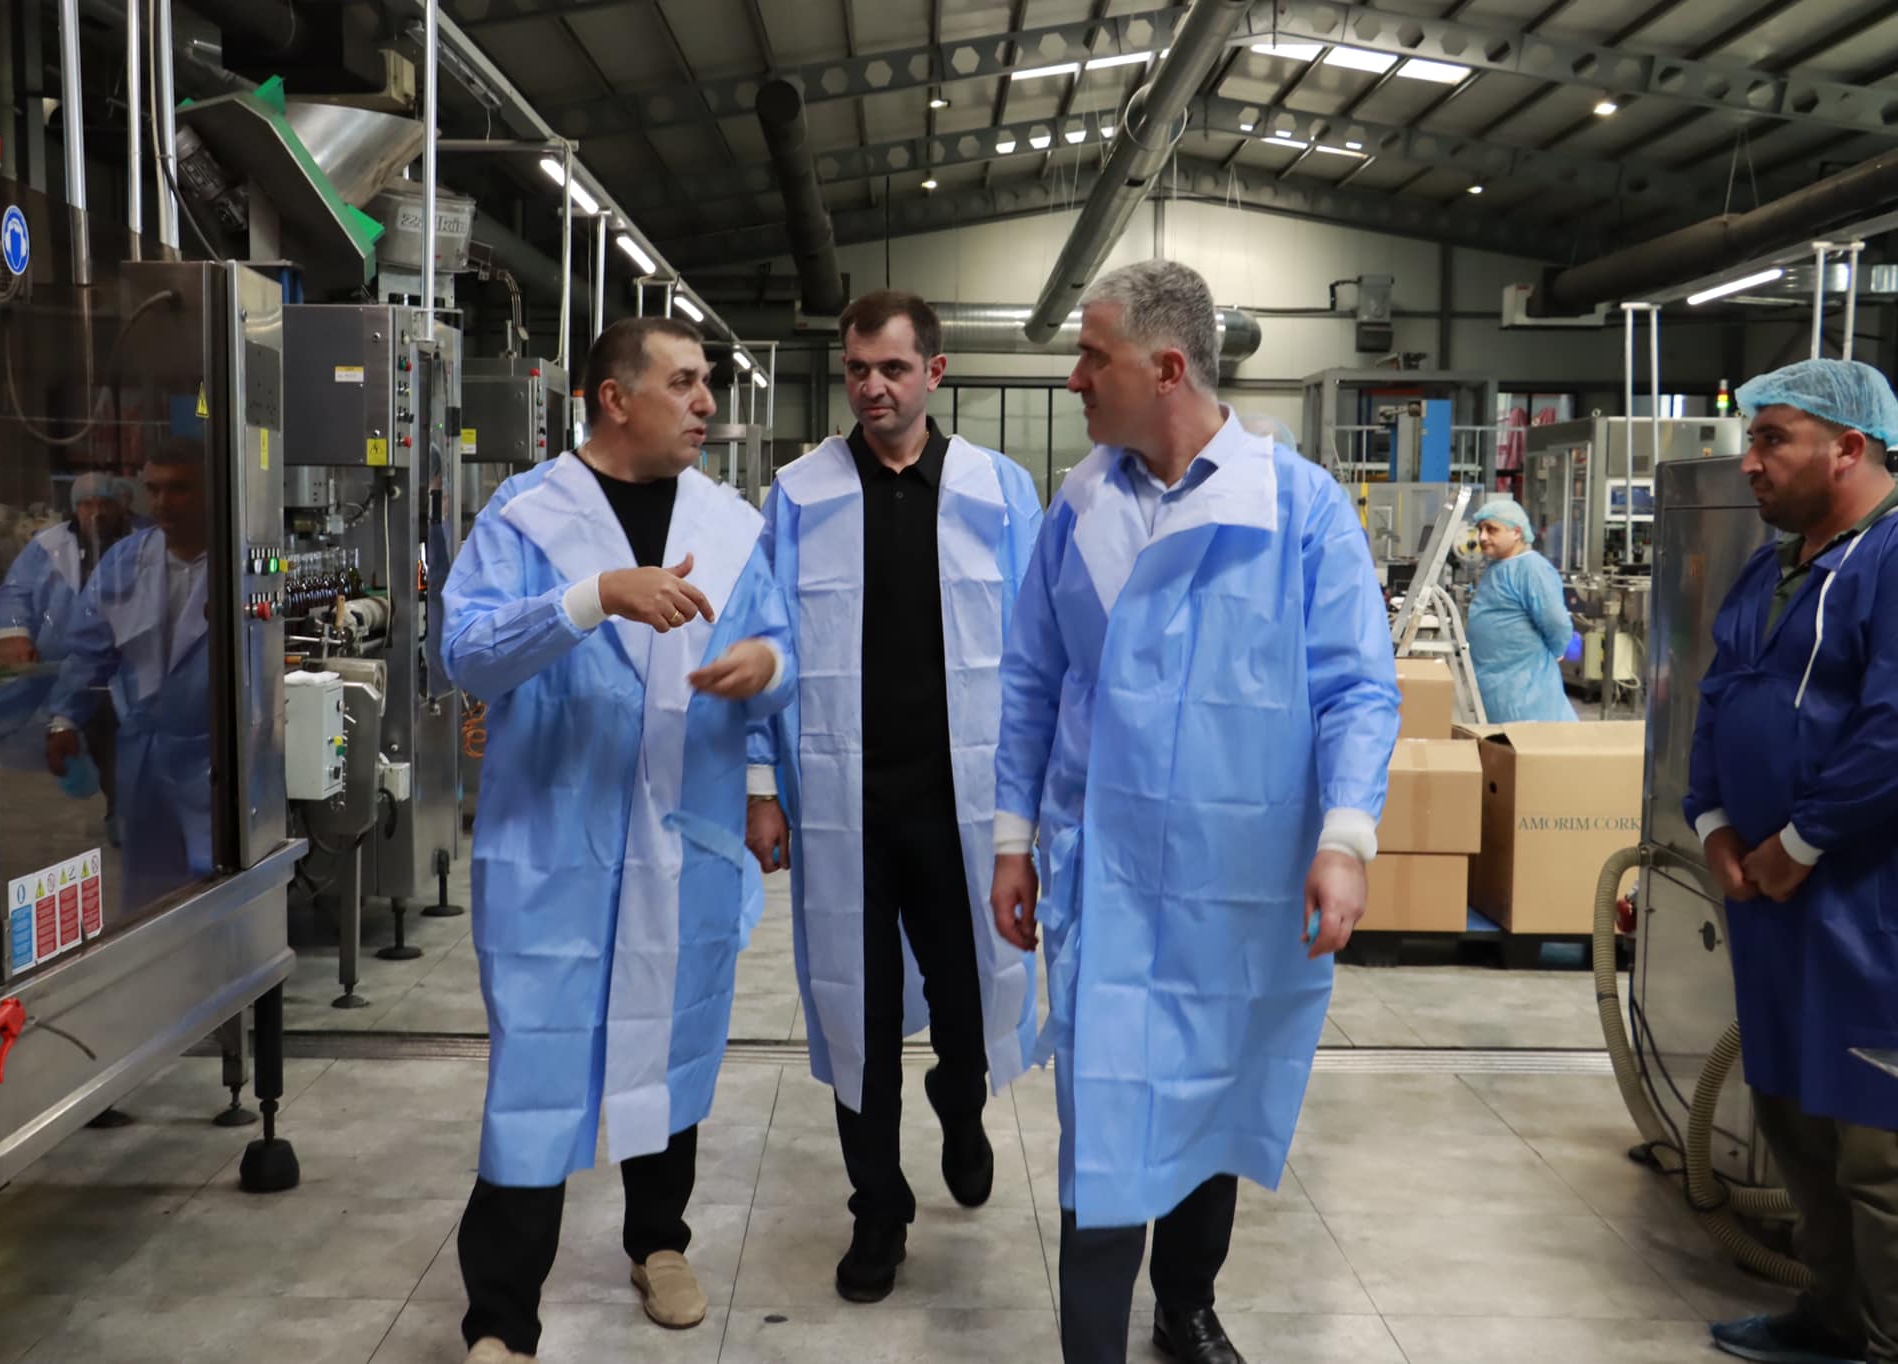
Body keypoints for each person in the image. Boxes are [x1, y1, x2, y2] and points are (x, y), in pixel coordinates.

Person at [989, 260, 1399, 1364]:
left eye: (1093, 355)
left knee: (1214, 1085)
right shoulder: (1078, 508)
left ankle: (1186, 1303)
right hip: (1106, 873)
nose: (1075, 377)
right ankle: (1091, 1342)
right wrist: (1013, 838)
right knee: (1106, 1112)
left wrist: (1345, 839)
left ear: (1166, 368)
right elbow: (1029, 680)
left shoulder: (1296, 507)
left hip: (1238, 872)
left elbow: (1356, 688)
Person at [442, 316, 796, 1364]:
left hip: (687, 842)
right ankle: (501, 1313)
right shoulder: (529, 516)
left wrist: (766, 667)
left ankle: (660, 1241)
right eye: (683, 382)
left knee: (672, 1039)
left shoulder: (729, 525)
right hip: (555, 844)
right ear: (614, 396)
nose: (706, 403)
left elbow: (784, 648)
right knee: (537, 1065)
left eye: (706, 382)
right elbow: (466, 654)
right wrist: (592, 598)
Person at [744, 291, 1043, 1304]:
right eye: (857, 369)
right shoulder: (800, 495)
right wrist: (761, 784)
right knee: (855, 1009)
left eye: (892, 369)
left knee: (970, 996)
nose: (872, 387)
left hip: (964, 804)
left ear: (934, 373)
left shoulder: (998, 491)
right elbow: (762, 641)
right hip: (844, 804)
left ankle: (960, 1099)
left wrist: (1036, 798)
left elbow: (1037, 652)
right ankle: (877, 1208)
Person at [1685, 357, 1898, 1364]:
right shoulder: (1770, 571)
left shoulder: (1887, 561)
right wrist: (1714, 822)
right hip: (1768, 895)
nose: (1749, 461)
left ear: (1847, 448)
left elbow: (1890, 727)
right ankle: (1832, 1312)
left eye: (1772, 438)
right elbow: (1717, 697)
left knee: (1875, 1139)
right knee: (1791, 1107)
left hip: (1865, 897)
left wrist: (1803, 841)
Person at [45, 444, 215, 910]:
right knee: (148, 892)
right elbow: (89, 650)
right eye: (153, 490)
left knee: (215, 885)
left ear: (212, 490)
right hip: (143, 754)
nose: (162, 503)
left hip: (214, 756)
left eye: (179, 489)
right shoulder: (126, 561)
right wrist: (64, 720)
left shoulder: (242, 565)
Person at [0, 473, 143, 795]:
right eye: (87, 504)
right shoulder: (48, 545)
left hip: (125, 671)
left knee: (123, 762)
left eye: (105, 504)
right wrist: (12, 632)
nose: (96, 513)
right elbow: (16, 591)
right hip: (58, 667)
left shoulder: (145, 544)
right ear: (75, 508)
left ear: (122, 506)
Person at [1465, 496, 1576, 722]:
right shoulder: (1497, 567)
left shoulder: (1531, 568)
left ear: (1516, 532)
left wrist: (1557, 650)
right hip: (1495, 682)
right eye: (1480, 529)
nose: (1482, 537)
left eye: (1491, 529)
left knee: (1532, 739)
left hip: (1525, 685)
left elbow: (1555, 620)